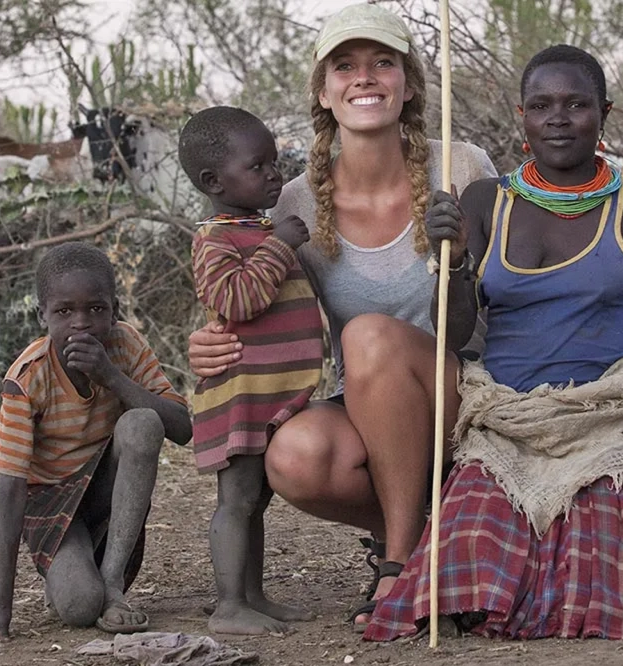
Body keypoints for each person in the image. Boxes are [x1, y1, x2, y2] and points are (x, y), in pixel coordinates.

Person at [363, 44, 623, 641]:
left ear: (605, 113)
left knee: (598, 595)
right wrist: (456, 262)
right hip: (505, 425)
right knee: (458, 581)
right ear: (522, 116)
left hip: (602, 422)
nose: (559, 118)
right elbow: (457, 333)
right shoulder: (487, 202)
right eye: (541, 105)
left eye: (576, 104)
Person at [186, 3, 497, 631]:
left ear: (407, 84)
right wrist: (211, 341)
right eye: (345, 66)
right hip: (363, 405)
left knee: (368, 336)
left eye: (383, 62)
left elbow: (483, 317)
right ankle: (434, 529)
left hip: (464, 391)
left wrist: (458, 260)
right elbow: (255, 299)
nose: (365, 77)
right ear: (324, 91)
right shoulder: (295, 201)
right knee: (295, 456)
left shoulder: (461, 168)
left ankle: (399, 564)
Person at [0, 242, 192, 640]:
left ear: (115, 309)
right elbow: (10, 489)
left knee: (142, 423)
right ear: (42, 315)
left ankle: (112, 584)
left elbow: (182, 428)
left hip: (104, 490)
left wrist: (111, 377)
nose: (81, 323)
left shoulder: (126, 345)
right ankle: (79, 579)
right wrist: (1, 608)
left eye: (96, 309)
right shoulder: (28, 376)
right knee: (80, 607)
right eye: (65, 311)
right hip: (49, 498)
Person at [179, 106, 322, 635]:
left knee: (255, 502)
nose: (273, 175)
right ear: (214, 182)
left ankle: (253, 595)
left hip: (270, 396)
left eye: (273, 162)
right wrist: (280, 244)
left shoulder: (253, 230)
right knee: (236, 501)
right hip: (239, 395)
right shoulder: (216, 238)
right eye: (257, 166)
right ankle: (228, 604)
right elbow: (237, 300)